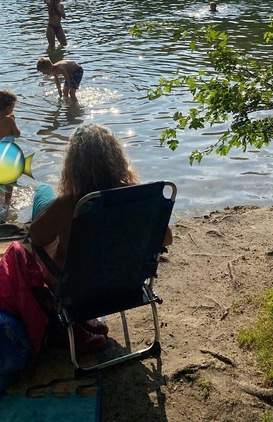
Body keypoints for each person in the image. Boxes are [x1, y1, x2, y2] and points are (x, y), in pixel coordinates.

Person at [27, 125, 172, 350]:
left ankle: (59, 322)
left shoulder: (68, 205)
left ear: (73, 165)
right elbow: (166, 238)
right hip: (126, 281)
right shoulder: (137, 200)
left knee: (43, 193)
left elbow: (35, 237)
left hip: (77, 289)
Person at [0, 89, 21, 205]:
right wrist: (14, 121)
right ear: (8, 107)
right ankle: (7, 202)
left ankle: (0, 192)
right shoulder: (10, 120)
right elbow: (17, 134)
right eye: (13, 107)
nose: (13, 110)